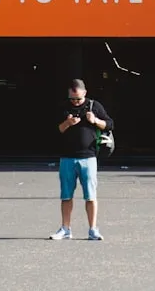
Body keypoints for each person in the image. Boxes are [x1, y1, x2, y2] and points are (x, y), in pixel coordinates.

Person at [49, 79, 113, 241]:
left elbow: (110, 124)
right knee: (66, 196)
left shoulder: (94, 106)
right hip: (67, 157)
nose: (75, 102)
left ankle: (93, 229)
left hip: (89, 157)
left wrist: (95, 121)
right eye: (72, 99)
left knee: (90, 196)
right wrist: (68, 123)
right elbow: (57, 129)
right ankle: (65, 228)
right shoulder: (64, 107)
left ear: (85, 93)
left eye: (78, 98)